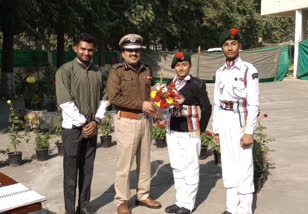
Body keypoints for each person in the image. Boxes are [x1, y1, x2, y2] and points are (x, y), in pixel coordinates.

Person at [107, 33, 161, 214]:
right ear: (123, 52)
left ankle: (143, 195)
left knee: (145, 162)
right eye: (129, 50)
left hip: (145, 121)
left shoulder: (146, 70)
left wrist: (159, 98)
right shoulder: (117, 71)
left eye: (136, 50)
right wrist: (141, 104)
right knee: (124, 165)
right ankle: (122, 200)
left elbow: (152, 91)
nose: (133, 53)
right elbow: (113, 97)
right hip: (127, 121)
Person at [56, 32, 108, 214]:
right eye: (83, 49)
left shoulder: (98, 72)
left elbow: (104, 99)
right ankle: (70, 210)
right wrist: (86, 123)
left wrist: (96, 122)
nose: (86, 53)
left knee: (87, 170)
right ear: (75, 48)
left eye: (90, 50)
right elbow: (65, 101)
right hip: (72, 131)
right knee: (70, 174)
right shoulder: (65, 71)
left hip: (91, 129)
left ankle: (84, 206)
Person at [212, 28, 260, 214]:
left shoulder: (249, 70)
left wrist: (249, 131)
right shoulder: (220, 71)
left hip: (241, 120)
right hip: (224, 119)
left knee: (244, 166)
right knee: (228, 164)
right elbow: (217, 101)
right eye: (226, 44)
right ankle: (231, 208)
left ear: (240, 45)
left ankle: (245, 210)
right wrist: (216, 129)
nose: (230, 48)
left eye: (233, 44)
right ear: (222, 48)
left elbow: (254, 103)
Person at [165, 51, 212, 214]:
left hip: (190, 131)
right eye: (178, 65)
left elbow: (206, 108)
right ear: (174, 67)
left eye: (184, 64)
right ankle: (180, 201)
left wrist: (201, 130)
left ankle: (188, 204)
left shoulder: (196, 84)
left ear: (189, 65)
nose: (181, 68)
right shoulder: (170, 84)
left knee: (190, 167)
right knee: (177, 166)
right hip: (173, 131)